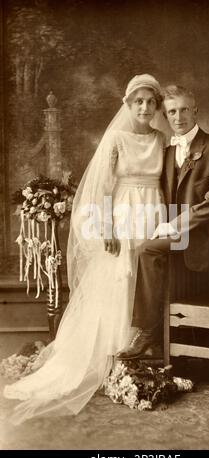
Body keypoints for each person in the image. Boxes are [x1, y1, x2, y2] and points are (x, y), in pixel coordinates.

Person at [3, 74, 170, 424]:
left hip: (154, 212)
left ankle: (142, 350)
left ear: (157, 107)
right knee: (117, 280)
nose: (144, 107)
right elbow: (104, 189)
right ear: (127, 105)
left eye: (150, 102)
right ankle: (108, 353)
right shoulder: (116, 138)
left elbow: (168, 183)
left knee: (147, 281)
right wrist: (107, 227)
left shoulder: (161, 139)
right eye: (137, 101)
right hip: (124, 212)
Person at [118, 84, 209, 360]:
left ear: (195, 111)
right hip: (177, 235)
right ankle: (154, 336)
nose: (178, 117)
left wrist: (174, 224)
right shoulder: (168, 151)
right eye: (171, 112)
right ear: (166, 116)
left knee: (147, 250)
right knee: (135, 246)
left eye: (183, 110)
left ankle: (147, 332)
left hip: (203, 236)